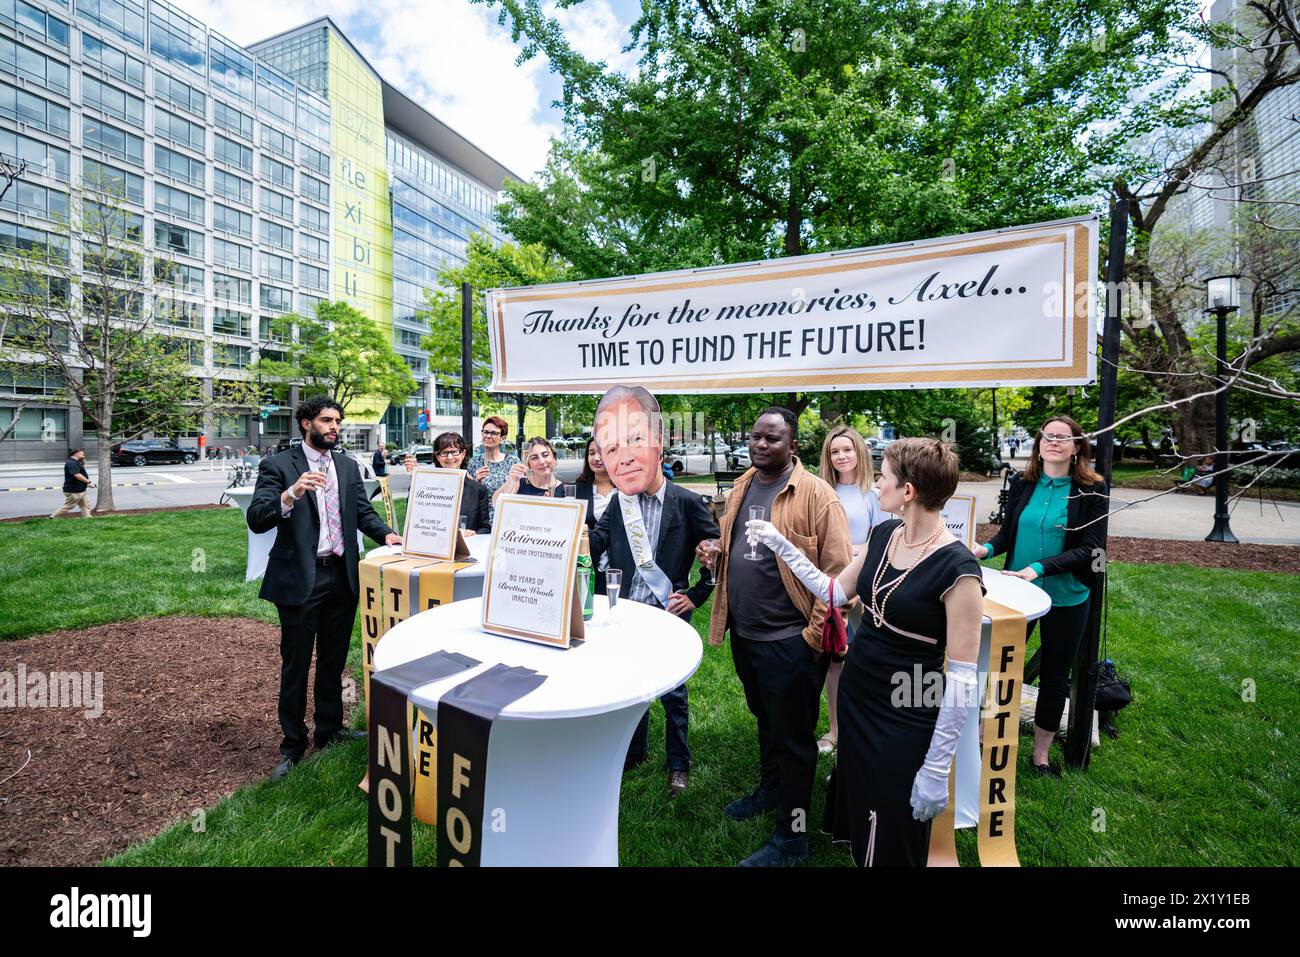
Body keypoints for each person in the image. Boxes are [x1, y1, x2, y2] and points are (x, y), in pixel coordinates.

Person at [746, 437, 986, 867]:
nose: (876, 485)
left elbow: (964, 678)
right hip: (860, 693)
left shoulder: (959, 569)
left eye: (884, 477)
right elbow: (834, 591)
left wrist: (935, 770)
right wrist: (783, 545)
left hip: (908, 705)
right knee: (865, 804)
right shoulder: (885, 533)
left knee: (894, 817)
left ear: (907, 491)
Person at [697, 407, 853, 866]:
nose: (760, 445)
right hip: (747, 636)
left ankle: (794, 836)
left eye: (772, 440)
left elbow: (840, 574)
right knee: (767, 722)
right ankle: (770, 790)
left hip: (791, 642)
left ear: (793, 446)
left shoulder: (817, 496)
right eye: (755, 438)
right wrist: (715, 549)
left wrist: (809, 636)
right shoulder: (745, 484)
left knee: (796, 742)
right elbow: (739, 543)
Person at [247, 396, 403, 782]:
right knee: (296, 663)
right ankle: (292, 745)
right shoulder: (279, 465)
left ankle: (330, 731)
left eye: (338, 421)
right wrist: (292, 493)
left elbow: (361, 512)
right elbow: (257, 518)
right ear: (305, 423)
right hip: (301, 578)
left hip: (341, 575)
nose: (334, 426)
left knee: (333, 660)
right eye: (326, 420)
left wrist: (388, 535)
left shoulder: (347, 466)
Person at [589, 386, 720, 797]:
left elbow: (717, 555)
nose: (623, 456)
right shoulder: (618, 504)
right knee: (631, 686)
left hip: (668, 613)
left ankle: (679, 764)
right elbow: (594, 545)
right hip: (627, 611)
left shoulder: (687, 502)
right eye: (611, 448)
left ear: (658, 444)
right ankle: (635, 753)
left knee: (673, 695)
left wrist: (698, 593)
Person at [973, 415, 1108, 775]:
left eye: (1062, 437)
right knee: (1003, 669)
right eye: (1047, 436)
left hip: (1067, 595)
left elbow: (1092, 550)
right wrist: (984, 549)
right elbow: (1008, 534)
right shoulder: (1023, 483)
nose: (1053, 442)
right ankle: (988, 738)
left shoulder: (1093, 490)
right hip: (1019, 596)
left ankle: (1041, 755)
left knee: (1054, 676)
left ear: (1077, 446)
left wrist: (1040, 568)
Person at [817, 424, 888, 755]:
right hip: (829, 584)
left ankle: (868, 724)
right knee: (835, 659)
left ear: (858, 452)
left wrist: (854, 558)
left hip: (866, 585)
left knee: (870, 656)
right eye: (834, 451)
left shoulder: (873, 494)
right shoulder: (821, 491)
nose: (841, 456)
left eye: (847, 449)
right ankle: (835, 728)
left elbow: (882, 542)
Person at [425, 431, 490, 534]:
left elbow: (485, 527)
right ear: (437, 456)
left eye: (454, 452)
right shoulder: (425, 488)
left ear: (463, 454)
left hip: (466, 546)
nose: (450, 457)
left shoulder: (478, 490)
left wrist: (474, 533)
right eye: (444, 453)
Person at [574, 437, 615, 594]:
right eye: (591, 453)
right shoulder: (579, 488)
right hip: (589, 565)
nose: (596, 458)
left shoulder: (626, 488)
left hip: (620, 566)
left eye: (602, 453)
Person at [467, 416, 519, 524]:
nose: (488, 436)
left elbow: (513, 495)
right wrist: (476, 482)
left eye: (494, 433)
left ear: (503, 438)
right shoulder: (474, 462)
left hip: (504, 518)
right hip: (479, 521)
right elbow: (469, 496)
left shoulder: (513, 462)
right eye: (485, 432)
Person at [493, 437, 567, 503]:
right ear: (529, 464)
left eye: (545, 455)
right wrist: (511, 480)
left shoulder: (565, 490)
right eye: (534, 458)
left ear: (554, 458)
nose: (541, 461)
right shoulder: (520, 483)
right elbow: (496, 503)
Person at [50, 448, 93, 518]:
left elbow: (80, 472)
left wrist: (82, 462)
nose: (84, 456)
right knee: (68, 506)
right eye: (82, 454)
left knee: (85, 505)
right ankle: (52, 518)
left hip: (81, 489)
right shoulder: (71, 463)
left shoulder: (76, 462)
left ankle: (88, 518)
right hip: (74, 490)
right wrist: (88, 482)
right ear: (76, 453)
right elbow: (77, 475)